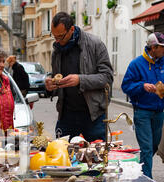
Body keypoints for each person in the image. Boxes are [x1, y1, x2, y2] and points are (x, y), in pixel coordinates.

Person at [44, 12, 113, 142]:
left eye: (60, 36)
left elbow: (107, 77)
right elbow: (56, 79)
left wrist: (80, 80)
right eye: (54, 36)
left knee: (95, 157)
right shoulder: (57, 51)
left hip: (93, 115)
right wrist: (50, 86)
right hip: (66, 115)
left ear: (71, 29)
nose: (57, 41)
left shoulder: (95, 44)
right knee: (63, 156)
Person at [121, 32, 164, 179]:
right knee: (147, 148)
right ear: (153, 47)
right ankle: (147, 180)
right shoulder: (136, 64)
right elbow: (126, 86)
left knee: (154, 145)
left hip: (158, 112)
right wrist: (142, 86)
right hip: (142, 112)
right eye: (163, 47)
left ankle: (140, 170)